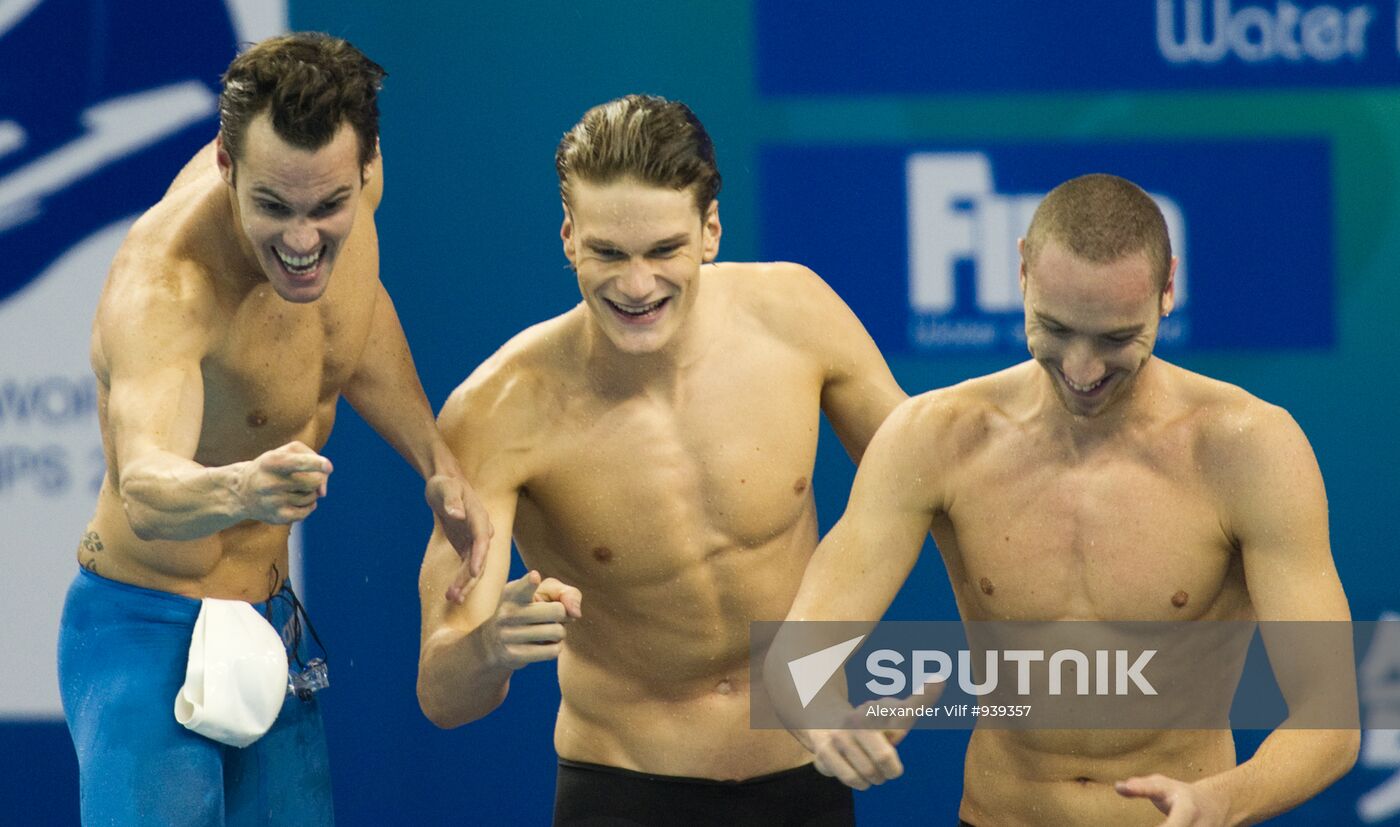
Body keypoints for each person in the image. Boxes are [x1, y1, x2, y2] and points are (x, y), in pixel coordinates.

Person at [772, 172, 1359, 825]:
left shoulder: (1249, 450)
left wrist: (1224, 798)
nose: (1082, 369)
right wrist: (820, 715)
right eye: (1054, 328)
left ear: (1168, 290)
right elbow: (800, 652)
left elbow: (1329, 717)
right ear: (1021, 271)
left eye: (1115, 338)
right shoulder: (936, 437)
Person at [415, 94, 906, 826]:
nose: (637, 285)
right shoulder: (498, 411)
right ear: (569, 238)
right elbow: (444, 696)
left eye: (663, 251)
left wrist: (931, 678)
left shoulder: (799, 317)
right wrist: (492, 645)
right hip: (624, 791)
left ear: (709, 231)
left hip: (804, 777)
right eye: (608, 253)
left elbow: (938, 487)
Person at [58, 32, 490, 826]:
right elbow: (146, 486)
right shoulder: (167, 287)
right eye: (272, 207)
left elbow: (353, 326)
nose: (301, 239)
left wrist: (436, 460)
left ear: (366, 167)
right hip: (144, 626)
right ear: (227, 163)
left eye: (329, 207)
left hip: (269, 624)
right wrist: (240, 485)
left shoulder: (349, 190)